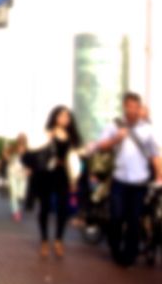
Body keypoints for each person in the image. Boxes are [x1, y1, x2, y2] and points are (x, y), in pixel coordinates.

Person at [91, 92, 161, 267]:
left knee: (134, 219)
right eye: (129, 106)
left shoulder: (147, 130)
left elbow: (155, 155)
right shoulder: (114, 126)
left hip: (139, 182)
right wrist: (116, 138)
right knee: (116, 216)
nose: (132, 110)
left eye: (135, 107)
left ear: (139, 108)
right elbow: (101, 145)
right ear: (124, 107)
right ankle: (115, 248)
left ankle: (128, 256)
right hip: (119, 180)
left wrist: (160, 176)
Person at [33, 106, 82, 257]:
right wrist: (48, 137)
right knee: (45, 207)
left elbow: (73, 159)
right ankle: (44, 241)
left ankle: (59, 240)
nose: (64, 119)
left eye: (67, 116)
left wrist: (74, 179)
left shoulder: (71, 137)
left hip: (63, 173)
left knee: (63, 208)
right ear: (55, 117)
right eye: (61, 116)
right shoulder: (47, 133)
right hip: (47, 173)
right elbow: (35, 149)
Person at [5, 133, 30, 222]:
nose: (21, 142)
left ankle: (16, 208)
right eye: (20, 139)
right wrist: (8, 158)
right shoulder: (13, 148)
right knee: (14, 194)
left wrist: (29, 169)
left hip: (23, 176)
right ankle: (16, 212)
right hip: (12, 174)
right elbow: (5, 154)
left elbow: (32, 162)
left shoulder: (28, 151)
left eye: (23, 140)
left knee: (21, 195)